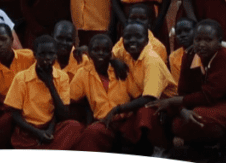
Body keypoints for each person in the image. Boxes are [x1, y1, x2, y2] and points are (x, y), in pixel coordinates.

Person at [147, 19, 226, 160]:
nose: (201, 44)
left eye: (208, 40)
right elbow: (183, 91)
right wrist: (181, 110)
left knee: (198, 116)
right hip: (204, 104)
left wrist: (175, 102)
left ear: (219, 41)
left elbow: (209, 95)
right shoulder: (190, 55)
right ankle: (194, 146)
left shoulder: (225, 57)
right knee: (169, 117)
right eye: (198, 39)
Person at [74, 21, 173, 154]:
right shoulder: (125, 54)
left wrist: (117, 110)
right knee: (92, 133)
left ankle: (160, 148)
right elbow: (105, 50)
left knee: (145, 114)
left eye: (138, 37)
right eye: (128, 37)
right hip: (107, 120)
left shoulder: (150, 60)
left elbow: (148, 98)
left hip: (163, 103)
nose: (132, 41)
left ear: (147, 39)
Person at [3, 35, 85, 150]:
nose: (47, 58)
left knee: (74, 126)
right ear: (35, 55)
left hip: (50, 127)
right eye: (42, 54)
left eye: (51, 54)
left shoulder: (62, 77)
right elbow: (15, 115)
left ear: (56, 55)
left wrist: (50, 84)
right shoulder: (21, 78)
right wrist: (37, 133)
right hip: (29, 131)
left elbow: (63, 114)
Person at [0, 23, 35, 148]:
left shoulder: (29, 57)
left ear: (12, 39)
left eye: (3, 39)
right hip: (9, 111)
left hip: (33, 107)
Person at [69, 34, 130, 131]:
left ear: (110, 54)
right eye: (96, 50)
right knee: (91, 132)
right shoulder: (83, 72)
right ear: (89, 53)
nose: (100, 53)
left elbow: (136, 93)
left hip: (126, 120)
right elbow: (70, 97)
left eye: (105, 51)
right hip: (103, 123)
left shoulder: (121, 69)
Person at [168, 17, 196, 89]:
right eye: (178, 32)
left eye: (187, 30)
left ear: (196, 31)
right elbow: (177, 85)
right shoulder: (173, 56)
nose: (183, 35)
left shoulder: (203, 52)